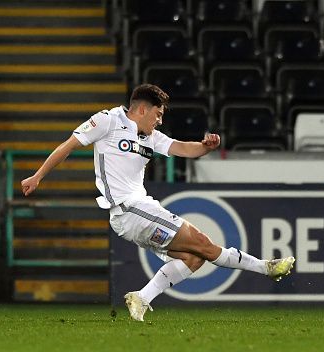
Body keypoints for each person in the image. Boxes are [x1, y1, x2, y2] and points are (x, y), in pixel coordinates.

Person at [21, 84, 295, 321]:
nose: (160, 120)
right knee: (202, 243)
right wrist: (37, 176)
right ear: (142, 109)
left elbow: (182, 148)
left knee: (193, 258)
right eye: (158, 114)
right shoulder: (107, 121)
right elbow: (68, 145)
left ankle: (141, 297)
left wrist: (204, 146)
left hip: (137, 211)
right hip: (128, 209)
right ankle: (265, 267)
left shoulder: (151, 137)